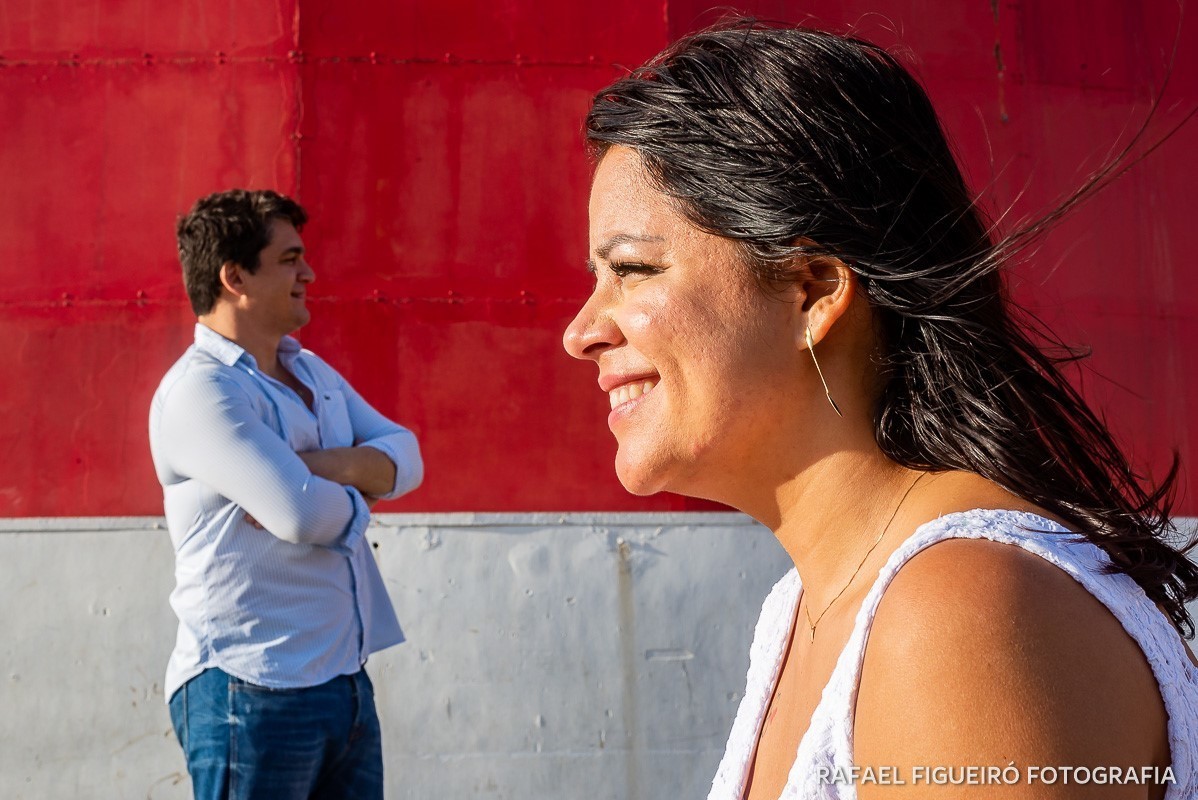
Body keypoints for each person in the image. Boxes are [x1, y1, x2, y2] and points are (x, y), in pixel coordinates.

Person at [564, 20, 1198, 800]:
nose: (582, 333)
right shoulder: (802, 610)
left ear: (815, 291)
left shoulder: (955, 619)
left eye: (632, 269)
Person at [149, 189, 423, 799]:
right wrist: (361, 492)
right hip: (248, 686)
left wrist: (324, 465)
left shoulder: (311, 373)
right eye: (290, 258)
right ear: (235, 275)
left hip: (343, 682)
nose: (310, 273)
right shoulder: (203, 392)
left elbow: (408, 457)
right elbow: (300, 516)